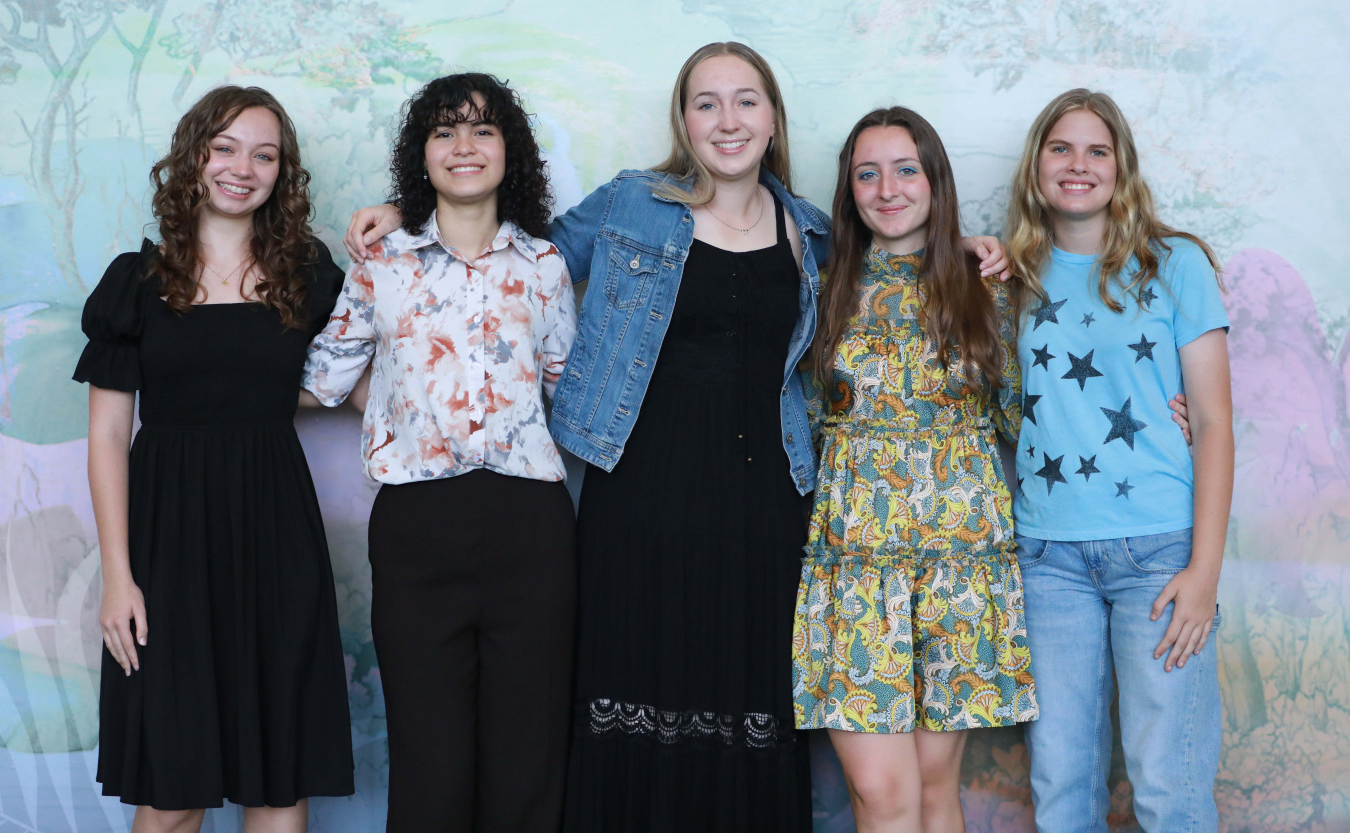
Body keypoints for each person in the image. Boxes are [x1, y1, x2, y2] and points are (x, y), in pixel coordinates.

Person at [342, 44, 1009, 832]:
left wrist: (968, 249)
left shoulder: (812, 232)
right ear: (683, 121)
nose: (728, 120)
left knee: (745, 713)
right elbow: (507, 250)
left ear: (773, 118)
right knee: (634, 707)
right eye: (706, 102)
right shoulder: (632, 203)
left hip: (764, 510)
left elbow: (895, 256)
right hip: (640, 501)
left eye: (746, 101)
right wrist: (409, 213)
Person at [302, 72, 578, 833]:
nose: (464, 146)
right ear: (421, 153)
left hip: (531, 526)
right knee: (431, 758)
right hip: (418, 527)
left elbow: (568, 394)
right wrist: (397, 404)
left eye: (483, 129)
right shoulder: (381, 262)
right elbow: (322, 379)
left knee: (528, 756)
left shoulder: (544, 265)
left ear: (508, 150)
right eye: (444, 130)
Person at [76, 85, 354, 833]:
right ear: (194, 156)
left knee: (278, 784)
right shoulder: (135, 283)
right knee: (173, 794)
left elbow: (351, 383)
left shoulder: (310, 274)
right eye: (225, 148)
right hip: (168, 546)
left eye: (264, 155)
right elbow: (107, 437)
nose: (243, 168)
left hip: (277, 537)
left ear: (282, 173)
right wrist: (119, 578)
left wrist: (393, 228)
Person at [793, 107, 1037, 833]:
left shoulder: (985, 286)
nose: (887, 189)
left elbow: (1030, 418)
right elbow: (795, 422)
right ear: (849, 190)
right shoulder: (819, 290)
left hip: (959, 567)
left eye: (906, 170)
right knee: (881, 794)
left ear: (935, 181)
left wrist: (1170, 412)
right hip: (856, 570)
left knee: (934, 791)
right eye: (867, 174)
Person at [1005, 89, 1232, 832]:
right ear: (1036, 165)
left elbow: (1214, 422)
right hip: (1048, 559)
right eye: (1061, 149)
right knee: (1061, 783)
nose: (1078, 165)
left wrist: (1204, 572)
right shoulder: (1011, 276)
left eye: (1096, 150)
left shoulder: (1175, 264)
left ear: (1121, 167)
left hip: (1160, 556)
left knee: (1169, 784)